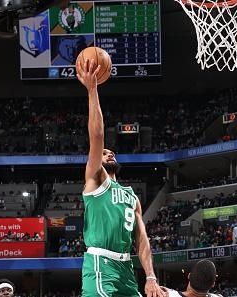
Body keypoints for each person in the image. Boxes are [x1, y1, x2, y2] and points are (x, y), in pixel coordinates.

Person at [77, 58, 164, 297]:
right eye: (104, 153)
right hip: (100, 264)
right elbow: (97, 135)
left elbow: (142, 239)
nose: (109, 152)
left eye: (110, 151)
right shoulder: (96, 179)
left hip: (125, 268)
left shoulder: (131, 196)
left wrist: (150, 276)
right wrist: (92, 90)